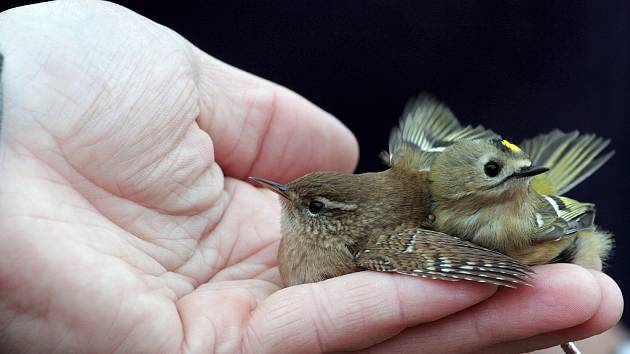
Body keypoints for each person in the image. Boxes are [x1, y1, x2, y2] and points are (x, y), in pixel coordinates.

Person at [0, 2, 622, 353]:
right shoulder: (345, 229)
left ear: (337, 220)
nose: (278, 196)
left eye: (308, 203)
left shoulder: (370, 244)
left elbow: (457, 254)